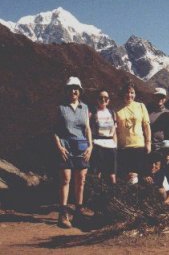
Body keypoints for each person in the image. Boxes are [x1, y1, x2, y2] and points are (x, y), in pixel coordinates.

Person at [54, 77, 93, 228]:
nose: (74, 91)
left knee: (81, 180)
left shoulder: (85, 107)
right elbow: (55, 130)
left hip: (82, 147)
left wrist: (90, 146)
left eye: (76, 88)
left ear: (80, 91)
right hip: (66, 146)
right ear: (67, 90)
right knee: (65, 179)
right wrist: (59, 147)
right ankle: (63, 214)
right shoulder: (61, 108)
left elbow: (87, 128)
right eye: (71, 88)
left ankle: (78, 212)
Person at [115, 82, 152, 184]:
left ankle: (138, 199)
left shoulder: (140, 106)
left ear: (135, 94)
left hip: (139, 146)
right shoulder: (116, 108)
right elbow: (114, 129)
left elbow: (146, 126)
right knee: (126, 177)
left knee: (138, 177)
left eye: (132, 92)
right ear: (123, 93)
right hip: (123, 147)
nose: (129, 95)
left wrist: (148, 142)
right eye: (127, 92)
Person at [89, 89, 118, 184]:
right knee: (97, 172)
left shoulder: (112, 113)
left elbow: (114, 131)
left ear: (109, 100)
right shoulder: (93, 112)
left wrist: (115, 145)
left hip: (111, 145)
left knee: (112, 174)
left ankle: (112, 194)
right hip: (97, 145)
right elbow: (88, 128)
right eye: (101, 97)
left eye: (106, 98)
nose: (103, 99)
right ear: (97, 99)